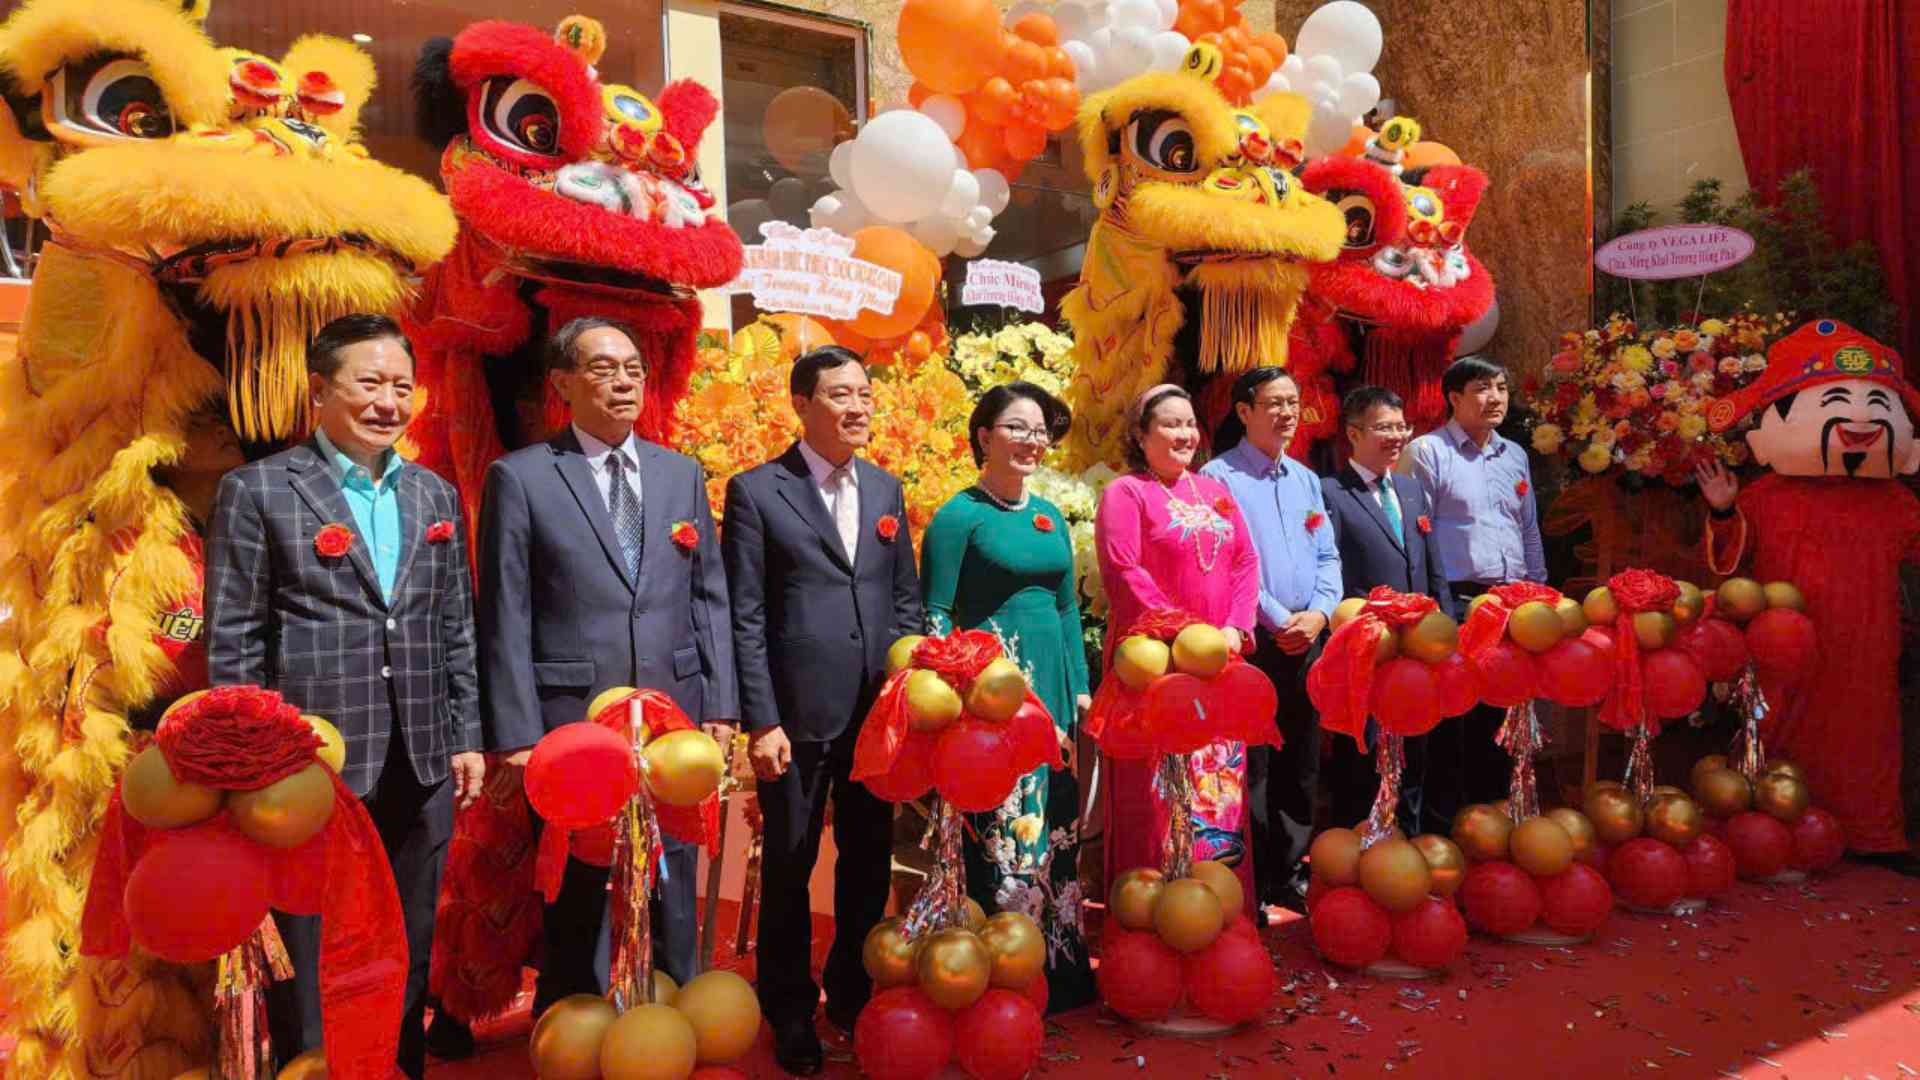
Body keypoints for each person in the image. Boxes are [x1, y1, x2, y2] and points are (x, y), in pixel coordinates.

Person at [204, 313, 484, 1080]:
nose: (388, 402)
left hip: (421, 757)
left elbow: (455, 624)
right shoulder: (259, 490)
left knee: (409, 938)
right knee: (315, 943)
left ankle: (397, 1067)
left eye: (402, 386)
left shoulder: (434, 495)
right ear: (320, 389)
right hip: (311, 768)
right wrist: (251, 763)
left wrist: (465, 735)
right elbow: (235, 641)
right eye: (371, 383)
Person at [475, 317, 736, 1012]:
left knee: (672, 878)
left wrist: (721, 707)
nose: (623, 382)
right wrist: (517, 734)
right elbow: (505, 610)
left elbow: (710, 594)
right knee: (583, 891)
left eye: (634, 369)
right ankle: (577, 1030)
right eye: (602, 368)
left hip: (673, 717)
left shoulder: (679, 473)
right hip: (572, 721)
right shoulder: (523, 476)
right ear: (562, 383)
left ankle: (672, 1023)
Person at [723, 346, 923, 1075]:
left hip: (876, 717)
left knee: (868, 859)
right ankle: (787, 1006)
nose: (860, 406)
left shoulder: (885, 489)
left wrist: (910, 694)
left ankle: (850, 985)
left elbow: (903, 598)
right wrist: (761, 719)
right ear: (803, 404)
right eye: (841, 394)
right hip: (795, 716)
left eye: (866, 393)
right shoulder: (757, 491)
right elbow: (744, 614)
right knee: (791, 862)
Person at [1699, 320, 1920, 874]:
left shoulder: (1892, 499)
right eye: (1839, 401)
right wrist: (1724, 511)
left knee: (1868, 737)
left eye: (1876, 405)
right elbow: (1733, 561)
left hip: (1867, 645)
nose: (1862, 421)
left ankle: (1873, 832)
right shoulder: (1768, 496)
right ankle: (1776, 831)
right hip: (1787, 644)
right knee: (1780, 730)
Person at [919, 381, 1096, 1011]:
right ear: (984, 435)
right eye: (1017, 427)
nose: (1032, 440)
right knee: (1003, 822)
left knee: (1057, 823)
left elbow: (1067, 608)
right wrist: (957, 696)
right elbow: (934, 614)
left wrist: (1079, 689)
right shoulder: (958, 515)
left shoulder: (1049, 517)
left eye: (1041, 429)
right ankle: (1002, 971)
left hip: (1053, 690)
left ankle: (1061, 965)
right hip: (992, 696)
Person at [1096, 384, 1261, 901]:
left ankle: (1217, 907)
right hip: (1155, 665)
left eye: (1190, 423)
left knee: (1219, 788)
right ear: (1140, 435)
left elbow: (1246, 562)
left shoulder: (1213, 491)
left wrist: (1235, 627)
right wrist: (1181, 634)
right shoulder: (1126, 493)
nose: (1184, 433)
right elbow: (1124, 570)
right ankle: (1156, 911)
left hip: (1216, 665)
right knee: (1157, 795)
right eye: (1169, 423)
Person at [1198, 368, 1340, 915]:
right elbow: (1232, 566)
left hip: (1307, 636)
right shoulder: (1219, 478)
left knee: (1301, 758)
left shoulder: (1305, 478)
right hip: (1253, 637)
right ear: (1243, 412)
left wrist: (1320, 614)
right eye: (1273, 403)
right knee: (1250, 765)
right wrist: (1281, 620)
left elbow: (1327, 554)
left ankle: (1288, 873)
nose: (1286, 413)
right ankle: (1250, 882)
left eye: (1293, 402)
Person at [1407, 356, 1546, 820]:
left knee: (1502, 714)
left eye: (1502, 387)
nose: (1497, 398)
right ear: (1454, 398)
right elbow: (1418, 530)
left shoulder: (1515, 455)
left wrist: (1539, 592)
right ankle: (1445, 823)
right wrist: (1434, 605)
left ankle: (1496, 817)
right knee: (1452, 716)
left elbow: (1527, 528)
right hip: (1457, 602)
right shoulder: (1429, 452)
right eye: (1484, 388)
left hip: (1513, 604)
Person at [1320, 386, 1456, 835]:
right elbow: (1329, 571)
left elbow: (1432, 563)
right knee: (1367, 757)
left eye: (1402, 426)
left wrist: (1447, 626)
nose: (1396, 436)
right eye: (1384, 427)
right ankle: (1361, 851)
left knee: (1415, 753)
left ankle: (1410, 842)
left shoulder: (1413, 490)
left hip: (1417, 650)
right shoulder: (1331, 493)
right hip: (1368, 650)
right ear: (1354, 434)